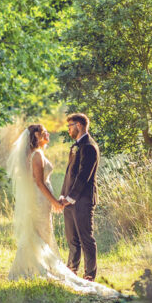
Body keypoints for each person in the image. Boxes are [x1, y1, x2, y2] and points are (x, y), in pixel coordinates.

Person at [6, 122, 117, 297]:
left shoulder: (34, 154)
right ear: (37, 136)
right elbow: (39, 183)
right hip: (39, 200)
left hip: (40, 200)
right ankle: (37, 268)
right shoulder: (37, 155)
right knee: (41, 233)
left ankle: (34, 267)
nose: (48, 134)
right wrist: (54, 202)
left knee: (39, 233)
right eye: (45, 132)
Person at [58, 113, 100, 281]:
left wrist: (71, 197)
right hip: (69, 200)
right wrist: (63, 195)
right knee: (72, 239)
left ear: (80, 126)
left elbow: (84, 176)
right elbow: (69, 174)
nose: (68, 129)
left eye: (70, 126)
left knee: (86, 238)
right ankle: (72, 271)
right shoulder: (75, 146)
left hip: (83, 200)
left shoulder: (89, 147)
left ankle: (89, 274)